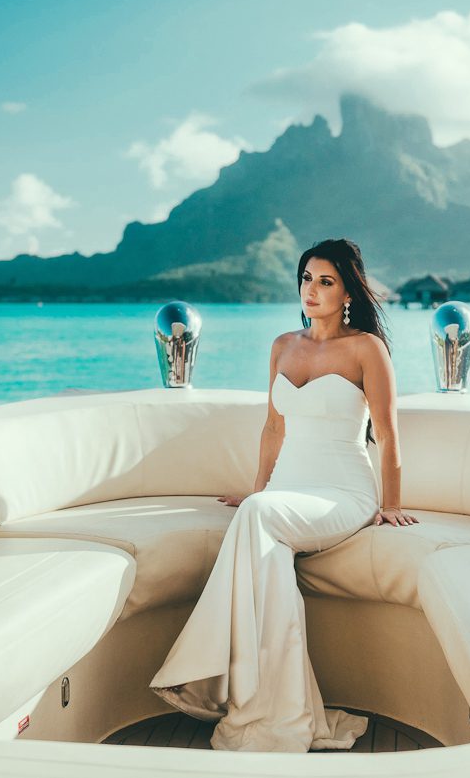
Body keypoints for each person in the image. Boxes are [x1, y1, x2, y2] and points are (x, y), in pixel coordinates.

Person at [149, 238, 419, 752]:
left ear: (347, 294)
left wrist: (391, 505)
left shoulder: (367, 348)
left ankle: (212, 680)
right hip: (285, 494)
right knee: (264, 547)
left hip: (343, 491)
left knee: (260, 522)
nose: (311, 291)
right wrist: (258, 493)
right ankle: (277, 709)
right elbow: (273, 429)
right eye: (306, 279)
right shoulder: (282, 345)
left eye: (325, 281)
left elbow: (387, 434)